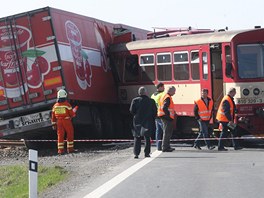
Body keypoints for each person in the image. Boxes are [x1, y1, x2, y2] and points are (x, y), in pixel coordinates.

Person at [130, 86, 157, 159]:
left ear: (139, 93)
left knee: (137, 137)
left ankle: (136, 153)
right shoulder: (151, 101)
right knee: (147, 138)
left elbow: (132, 111)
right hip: (148, 120)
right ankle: (147, 153)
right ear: (146, 92)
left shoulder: (135, 100)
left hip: (137, 121)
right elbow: (155, 112)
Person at [51, 89, 77, 155]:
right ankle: (70, 149)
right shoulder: (67, 105)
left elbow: (53, 116)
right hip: (66, 121)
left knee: (60, 135)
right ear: (65, 96)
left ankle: (60, 150)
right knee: (70, 133)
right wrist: (74, 113)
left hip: (58, 122)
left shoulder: (55, 106)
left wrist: (54, 124)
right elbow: (71, 114)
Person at [158, 86, 176, 152]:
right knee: (167, 132)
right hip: (166, 117)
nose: (175, 93)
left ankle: (167, 146)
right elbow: (164, 108)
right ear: (170, 91)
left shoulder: (165, 96)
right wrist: (168, 116)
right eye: (174, 91)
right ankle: (165, 147)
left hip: (164, 116)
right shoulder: (167, 97)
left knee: (167, 132)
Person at [151, 82, 165, 151]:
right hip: (161, 115)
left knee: (158, 131)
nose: (164, 88)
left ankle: (158, 146)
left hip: (155, 115)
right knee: (164, 131)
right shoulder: (162, 94)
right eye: (163, 87)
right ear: (160, 87)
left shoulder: (153, 95)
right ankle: (165, 145)